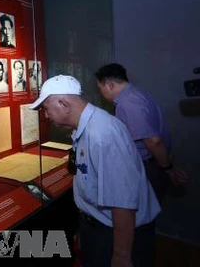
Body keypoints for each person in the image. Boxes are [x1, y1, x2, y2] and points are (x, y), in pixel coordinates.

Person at [30, 74, 160, 267]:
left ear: (64, 104)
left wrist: (121, 256)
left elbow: (123, 203)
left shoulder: (102, 133)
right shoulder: (89, 127)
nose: (46, 116)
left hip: (117, 235)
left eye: (47, 109)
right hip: (100, 228)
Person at [95, 63, 189, 203]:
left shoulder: (128, 102)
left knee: (143, 214)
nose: (101, 93)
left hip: (148, 167)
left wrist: (168, 169)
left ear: (109, 84)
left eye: (100, 88)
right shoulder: (138, 94)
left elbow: (153, 141)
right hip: (155, 163)